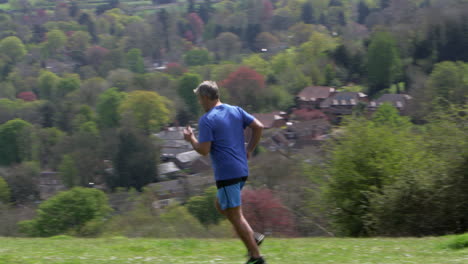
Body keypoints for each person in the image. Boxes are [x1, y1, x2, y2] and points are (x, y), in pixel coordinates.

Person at [183, 81, 266, 264]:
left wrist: (191, 139)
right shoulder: (235, 110)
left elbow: (204, 150)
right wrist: (249, 149)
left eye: (199, 98)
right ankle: (254, 237)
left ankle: (256, 257)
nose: (199, 102)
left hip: (227, 172)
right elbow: (258, 126)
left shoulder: (207, 119)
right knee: (222, 206)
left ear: (205, 97)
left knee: (235, 214)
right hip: (241, 169)